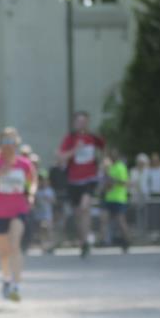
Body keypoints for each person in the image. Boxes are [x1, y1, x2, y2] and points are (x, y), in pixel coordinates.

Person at [0, 127, 37, 301]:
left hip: (19, 209)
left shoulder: (24, 163)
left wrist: (31, 194)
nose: (8, 145)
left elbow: (33, 181)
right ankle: (6, 278)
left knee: (15, 244)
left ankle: (16, 285)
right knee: (4, 252)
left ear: (17, 143)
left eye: (11, 141)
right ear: (0, 143)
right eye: (5, 141)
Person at [56, 110, 104, 257]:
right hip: (74, 180)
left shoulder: (93, 138)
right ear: (75, 123)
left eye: (84, 121)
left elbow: (105, 150)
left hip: (90, 179)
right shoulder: (70, 138)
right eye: (79, 121)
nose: (82, 124)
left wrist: (102, 166)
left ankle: (87, 239)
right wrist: (75, 149)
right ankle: (83, 242)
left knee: (85, 208)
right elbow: (60, 157)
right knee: (78, 213)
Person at [102, 148, 130, 252]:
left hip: (119, 198)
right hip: (109, 198)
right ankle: (105, 241)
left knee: (120, 221)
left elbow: (124, 182)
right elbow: (107, 183)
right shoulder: (109, 167)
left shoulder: (121, 167)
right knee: (104, 219)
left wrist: (113, 180)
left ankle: (126, 241)